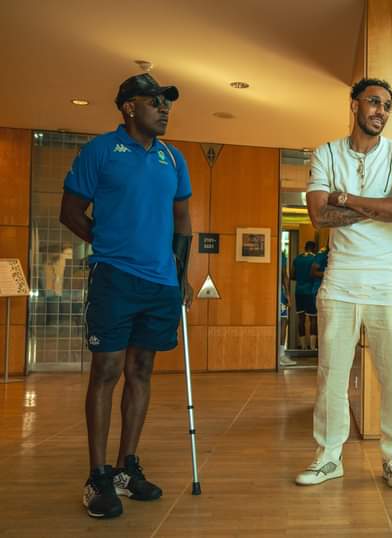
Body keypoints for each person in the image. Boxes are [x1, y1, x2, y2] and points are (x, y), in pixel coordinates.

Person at [60, 73, 193, 519]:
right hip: (115, 278)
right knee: (107, 370)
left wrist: (181, 273)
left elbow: (182, 221)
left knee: (141, 370)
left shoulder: (173, 158)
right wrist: (109, 244)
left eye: (167, 102)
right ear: (129, 107)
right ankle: (97, 475)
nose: (164, 108)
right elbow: (70, 211)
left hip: (160, 283)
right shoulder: (100, 150)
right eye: (154, 102)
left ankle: (125, 468)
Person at [295, 78, 392, 489]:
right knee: (331, 377)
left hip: (388, 282)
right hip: (341, 279)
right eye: (374, 102)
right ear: (354, 105)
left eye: (387, 105)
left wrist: (345, 199)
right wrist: (380, 207)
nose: (381, 111)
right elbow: (318, 216)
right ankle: (329, 458)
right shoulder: (326, 153)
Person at [292, 241, 318, 350]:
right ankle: (312, 347)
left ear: (305, 247)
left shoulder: (297, 259)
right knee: (313, 319)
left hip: (299, 291)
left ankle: (303, 346)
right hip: (311, 291)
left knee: (301, 319)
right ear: (314, 248)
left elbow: (292, 275)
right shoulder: (315, 258)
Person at [279, 249, 295, 366]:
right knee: (283, 322)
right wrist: (288, 296)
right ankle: (280, 354)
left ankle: (277, 354)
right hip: (279, 296)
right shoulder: (281, 254)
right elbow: (285, 276)